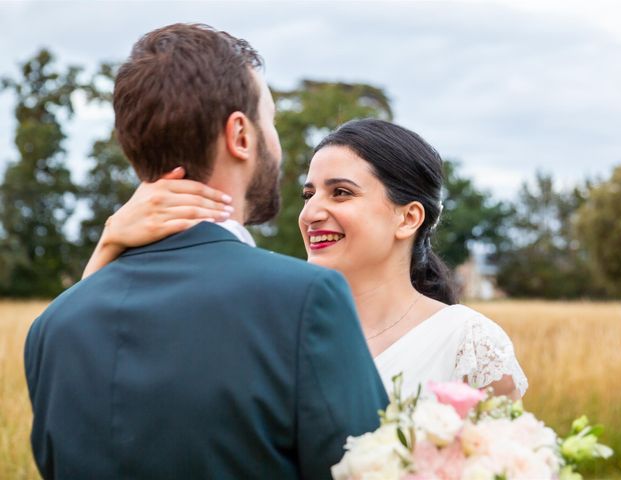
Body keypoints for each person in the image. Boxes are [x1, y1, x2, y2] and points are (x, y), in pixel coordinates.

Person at [24, 23, 388, 480]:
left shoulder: (52, 328)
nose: (274, 142)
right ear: (240, 135)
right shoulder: (305, 299)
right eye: (268, 121)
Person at [86, 118, 528, 399]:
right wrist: (109, 243)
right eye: (308, 194)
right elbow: (104, 355)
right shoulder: (270, 328)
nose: (312, 212)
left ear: (408, 217)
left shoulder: (469, 345)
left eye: (341, 192)